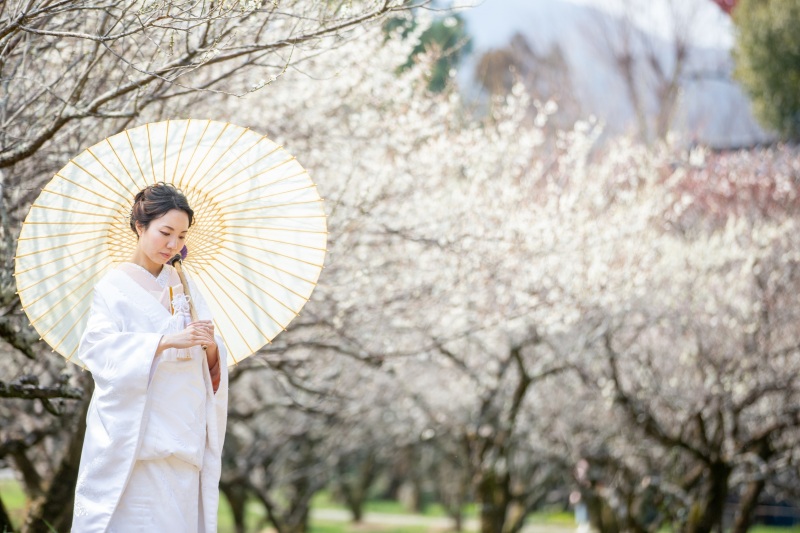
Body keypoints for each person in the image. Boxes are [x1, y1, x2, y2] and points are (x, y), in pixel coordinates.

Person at [72, 183, 228, 532]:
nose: (173, 245)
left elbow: (210, 361)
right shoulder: (113, 288)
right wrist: (165, 341)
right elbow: (97, 349)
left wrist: (210, 347)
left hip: (183, 429)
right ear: (140, 227)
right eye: (165, 233)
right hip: (136, 436)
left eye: (181, 236)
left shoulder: (186, 284)